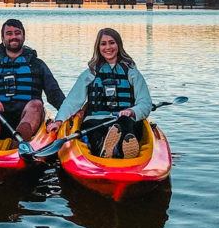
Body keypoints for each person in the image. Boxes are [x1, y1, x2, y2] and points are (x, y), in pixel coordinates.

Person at [47, 28, 152, 159]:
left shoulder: (132, 72)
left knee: (126, 123)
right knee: (94, 129)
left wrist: (132, 111)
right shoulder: (90, 73)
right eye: (103, 44)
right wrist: (59, 121)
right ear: (98, 47)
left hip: (124, 119)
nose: (108, 47)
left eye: (112, 42)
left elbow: (145, 103)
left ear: (118, 45)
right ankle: (107, 148)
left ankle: (123, 147)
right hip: (96, 120)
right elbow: (72, 101)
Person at [0, 18, 65, 149]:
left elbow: (54, 94)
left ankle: (19, 143)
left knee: (36, 104)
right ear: (2, 38)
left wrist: (67, 115)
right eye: (9, 33)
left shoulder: (37, 65)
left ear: (23, 36)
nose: (14, 37)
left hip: (28, 119)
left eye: (17, 33)